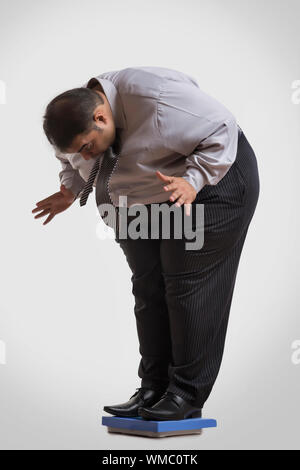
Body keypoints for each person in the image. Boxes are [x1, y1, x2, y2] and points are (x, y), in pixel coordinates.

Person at [32, 66, 260, 421]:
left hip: (213, 181)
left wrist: (195, 179)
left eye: (88, 146)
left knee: (186, 287)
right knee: (149, 286)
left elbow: (222, 128)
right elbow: (69, 155)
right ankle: (153, 388)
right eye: (80, 151)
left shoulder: (156, 98)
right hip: (144, 195)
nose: (86, 156)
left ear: (101, 116)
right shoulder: (74, 126)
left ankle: (186, 393)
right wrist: (70, 188)